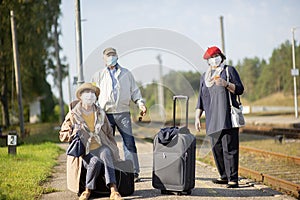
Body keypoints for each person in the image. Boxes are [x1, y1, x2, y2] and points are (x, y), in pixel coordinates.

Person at [59, 82, 123, 200]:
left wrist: (115, 151)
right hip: (84, 152)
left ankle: (114, 190)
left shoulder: (100, 113)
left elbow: (109, 134)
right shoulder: (73, 114)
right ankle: (87, 190)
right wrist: (73, 132)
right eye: (86, 93)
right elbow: (62, 135)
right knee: (95, 161)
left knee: (106, 152)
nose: (89, 95)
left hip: (101, 146)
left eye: (92, 93)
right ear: (81, 96)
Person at [92, 47, 147, 182]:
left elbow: (135, 91)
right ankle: (109, 172)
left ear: (117, 56)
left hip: (123, 113)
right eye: (108, 56)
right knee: (106, 144)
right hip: (106, 114)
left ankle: (133, 172)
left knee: (129, 143)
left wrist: (141, 104)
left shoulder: (126, 73)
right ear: (104, 59)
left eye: (113, 55)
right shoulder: (99, 75)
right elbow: (94, 94)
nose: (111, 57)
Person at [195, 46, 244, 188]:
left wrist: (226, 84)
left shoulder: (228, 71)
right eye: (210, 57)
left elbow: (240, 89)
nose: (214, 59)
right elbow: (200, 100)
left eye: (216, 56)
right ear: (207, 61)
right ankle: (223, 175)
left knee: (229, 148)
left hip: (226, 116)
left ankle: (233, 178)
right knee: (217, 149)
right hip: (211, 119)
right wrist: (197, 117)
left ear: (221, 56)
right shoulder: (204, 77)